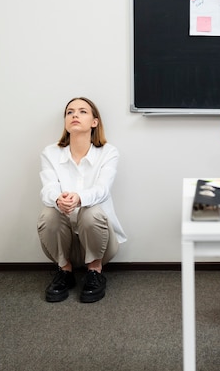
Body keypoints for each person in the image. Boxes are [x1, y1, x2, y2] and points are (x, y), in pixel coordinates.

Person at [37, 97, 126, 303]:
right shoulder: (50, 153)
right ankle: (64, 272)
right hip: (64, 244)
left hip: (101, 243)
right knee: (49, 212)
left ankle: (95, 271)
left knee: (91, 211)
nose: (75, 115)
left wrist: (79, 198)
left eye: (82, 111)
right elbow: (48, 188)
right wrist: (58, 199)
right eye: (70, 112)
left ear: (95, 122)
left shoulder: (108, 152)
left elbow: (102, 189)